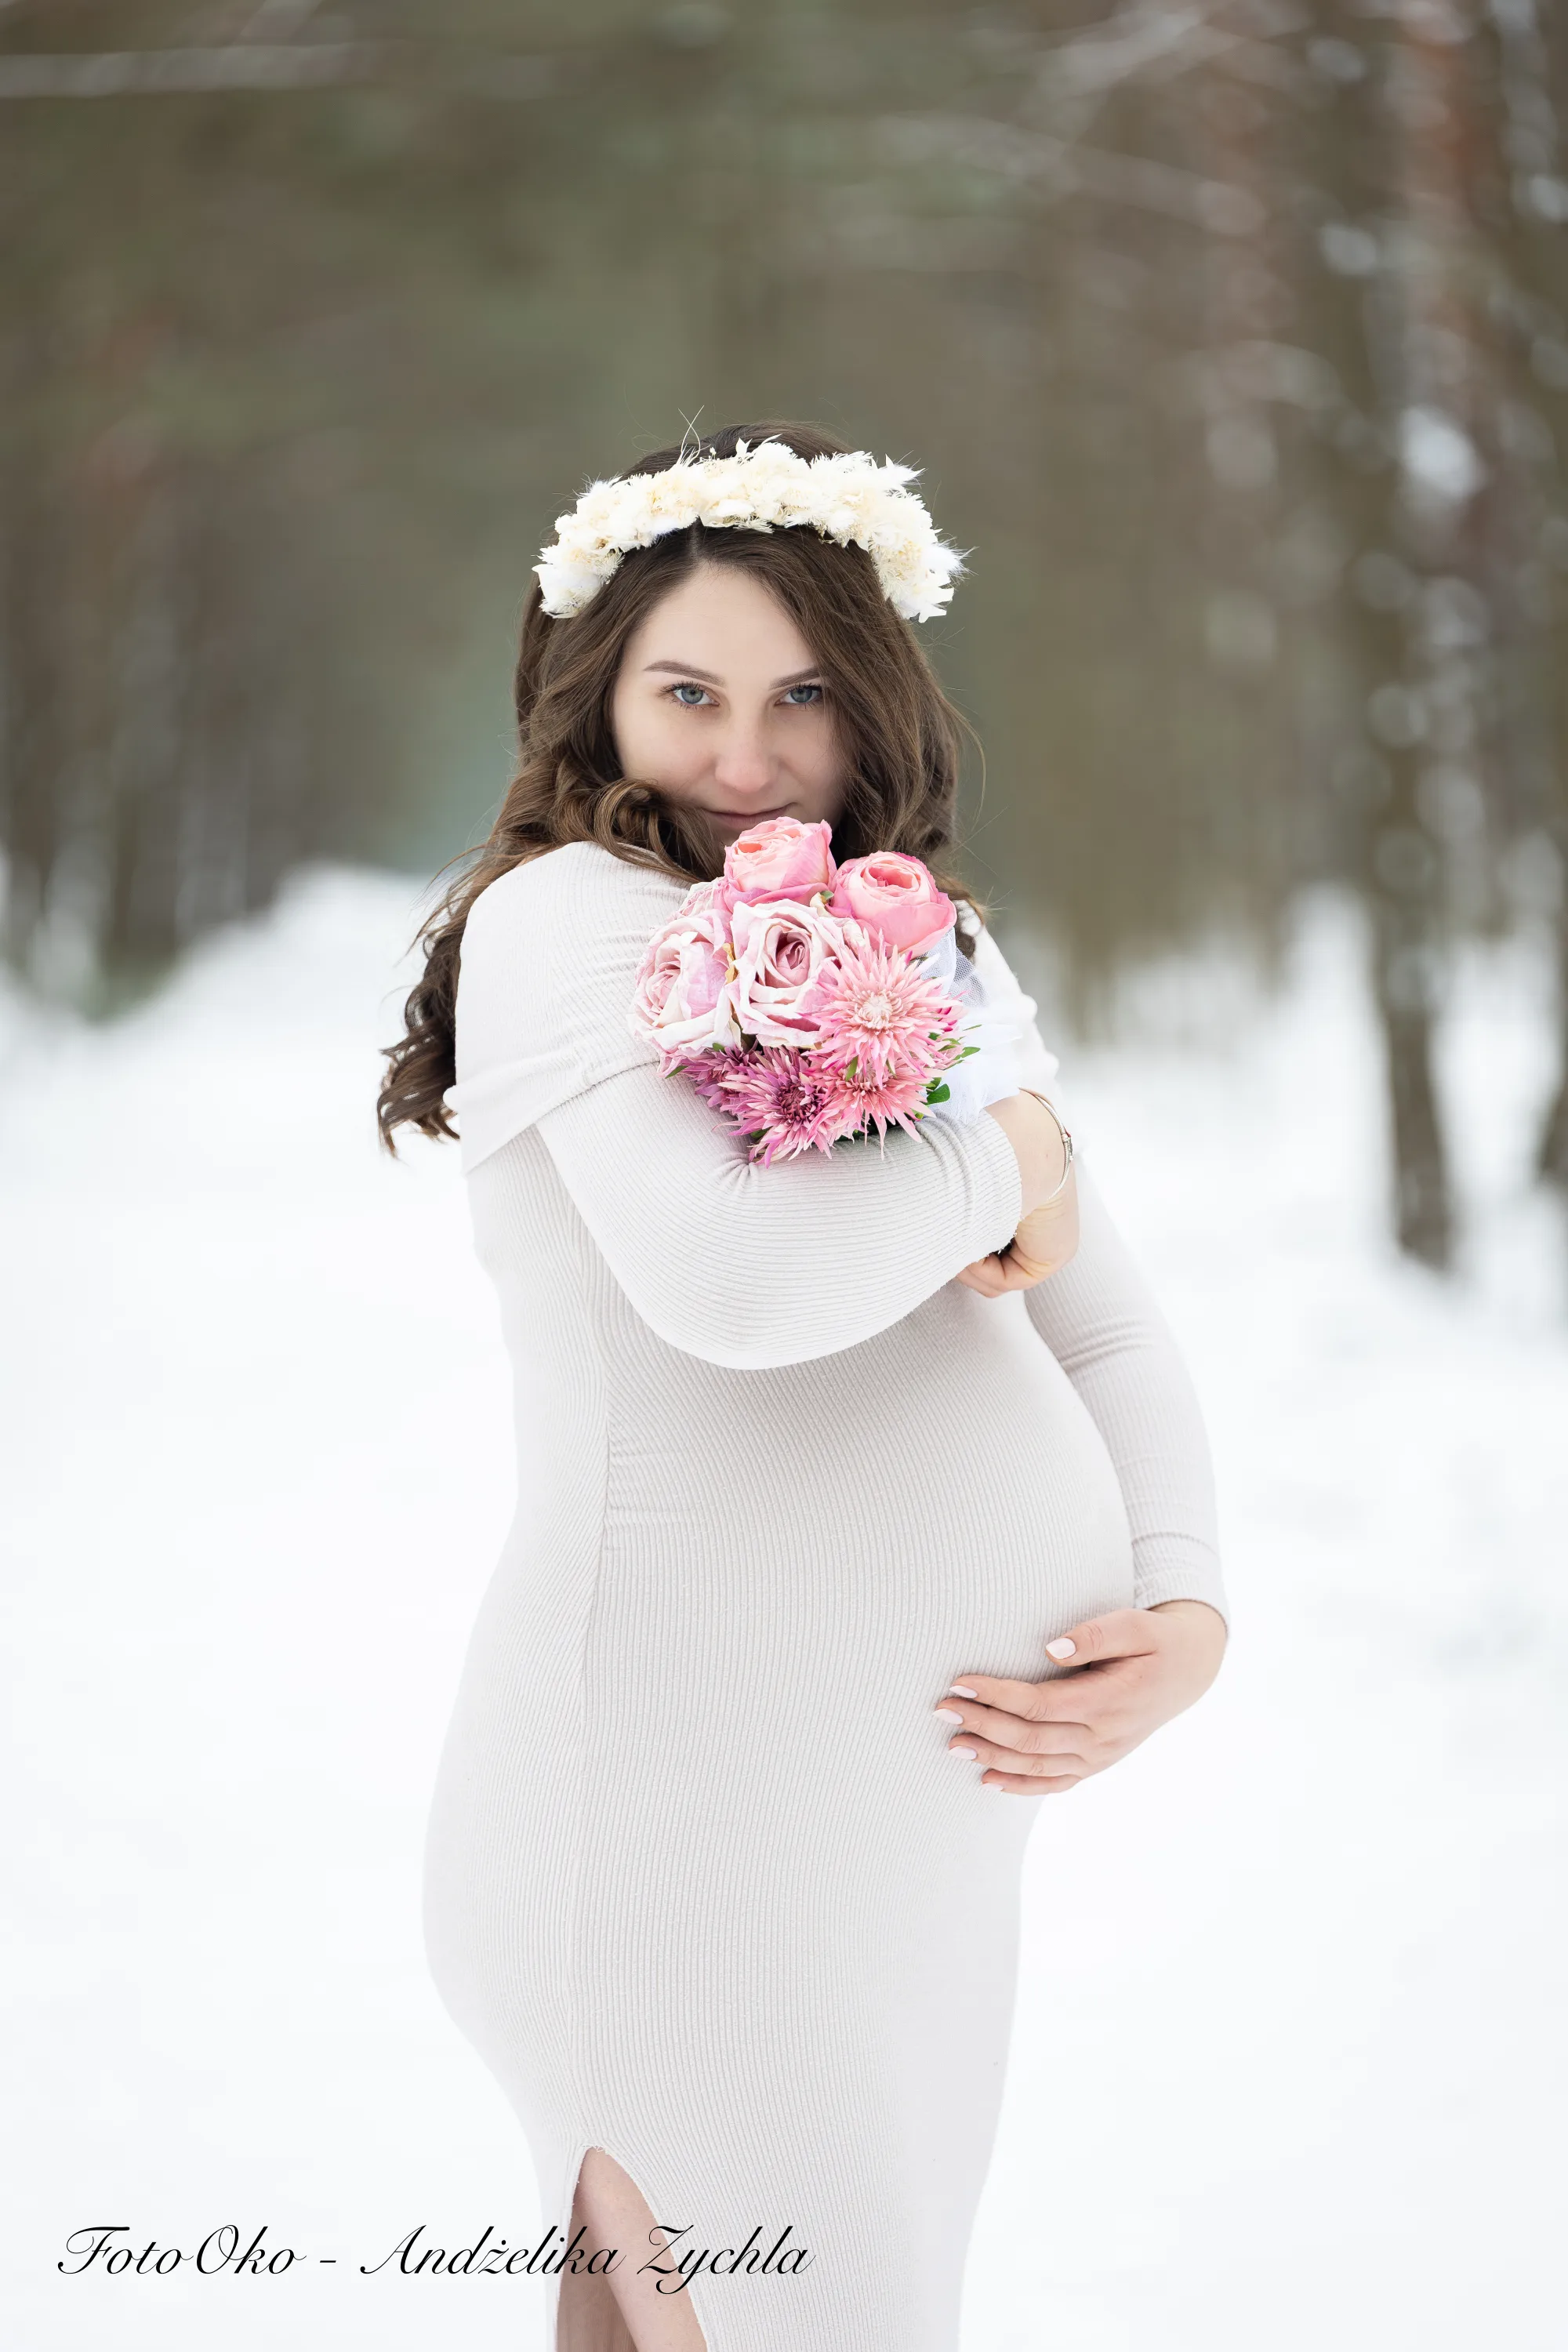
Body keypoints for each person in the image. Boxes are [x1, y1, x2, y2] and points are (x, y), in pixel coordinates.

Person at [376, 419, 1229, 2352]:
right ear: (600, 697)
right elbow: (744, 1292)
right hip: (685, 1817)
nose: (745, 756)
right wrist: (1013, 1152)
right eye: (687, 693)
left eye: (801, 697)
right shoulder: (562, 923)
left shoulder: (920, 944)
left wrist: (1183, 1601)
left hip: (893, 1839)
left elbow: (1105, 1324)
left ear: (878, 705)